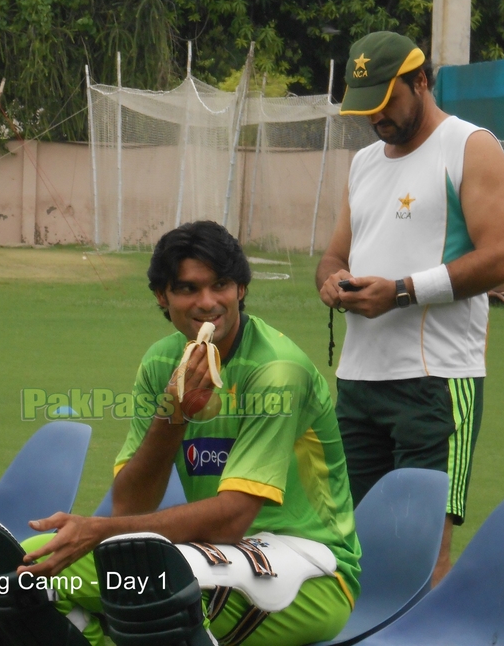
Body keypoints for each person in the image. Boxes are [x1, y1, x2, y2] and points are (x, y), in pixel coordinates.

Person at [19, 221, 361, 646]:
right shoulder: (163, 361)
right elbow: (130, 504)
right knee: (28, 561)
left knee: (149, 597)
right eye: (187, 289)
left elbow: (232, 519)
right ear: (163, 297)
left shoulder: (275, 371)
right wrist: (173, 415)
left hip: (313, 572)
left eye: (220, 285)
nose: (207, 303)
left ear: (241, 290)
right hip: (215, 557)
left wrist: (99, 531)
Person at [315, 31, 504, 585]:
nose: (376, 117)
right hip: (357, 383)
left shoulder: (469, 145)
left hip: (434, 384)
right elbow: (335, 252)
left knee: (423, 549)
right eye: (366, 107)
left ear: (421, 81)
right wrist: (332, 281)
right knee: (351, 546)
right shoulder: (362, 163)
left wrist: (400, 292)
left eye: (387, 102)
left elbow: (502, 259)